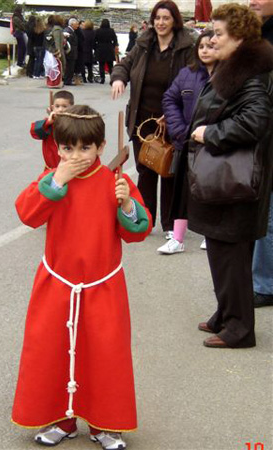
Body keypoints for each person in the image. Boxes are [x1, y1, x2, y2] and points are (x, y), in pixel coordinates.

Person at [12, 104, 152, 450]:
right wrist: (58, 179)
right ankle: (62, 420)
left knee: (105, 355)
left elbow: (138, 231)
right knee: (52, 351)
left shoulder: (115, 182)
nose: (76, 156)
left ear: (101, 147)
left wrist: (127, 206)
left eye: (85, 148)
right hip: (56, 282)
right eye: (67, 148)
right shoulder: (52, 178)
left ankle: (105, 425)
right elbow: (27, 214)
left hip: (103, 284)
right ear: (57, 147)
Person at [172, 3, 273, 348]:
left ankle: (239, 329)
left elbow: (255, 121)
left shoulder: (252, 76)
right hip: (228, 178)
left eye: (219, 34)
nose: (212, 39)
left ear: (240, 38)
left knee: (231, 255)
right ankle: (226, 313)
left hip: (235, 181)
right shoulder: (237, 67)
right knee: (222, 252)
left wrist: (207, 134)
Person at [111, 0, 194, 236]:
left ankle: (170, 226)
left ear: (174, 20)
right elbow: (125, 64)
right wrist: (119, 78)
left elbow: (191, 83)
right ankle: (145, 220)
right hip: (143, 120)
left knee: (169, 171)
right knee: (145, 170)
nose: (161, 23)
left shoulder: (186, 47)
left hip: (172, 120)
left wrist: (175, 112)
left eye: (166, 18)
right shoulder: (144, 44)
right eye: (157, 18)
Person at [158, 29, 217, 254]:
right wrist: (178, 129)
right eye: (201, 46)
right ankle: (178, 237)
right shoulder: (187, 73)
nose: (205, 50)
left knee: (209, 190)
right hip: (186, 142)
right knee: (181, 192)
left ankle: (208, 234)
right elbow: (170, 99)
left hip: (213, 143)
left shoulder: (228, 75)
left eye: (210, 46)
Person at [249, 0, 273, 307]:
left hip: (266, 140)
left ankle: (265, 283)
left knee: (267, 216)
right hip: (260, 142)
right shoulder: (256, 34)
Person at [30, 90, 74, 169]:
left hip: (69, 169)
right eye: (57, 106)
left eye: (64, 106)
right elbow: (34, 132)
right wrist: (48, 122)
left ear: (72, 107)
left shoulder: (76, 123)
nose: (60, 109)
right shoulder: (48, 123)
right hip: (51, 168)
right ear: (52, 107)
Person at [94, 19, 118, 84]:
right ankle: (112, 78)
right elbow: (115, 40)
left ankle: (102, 78)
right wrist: (113, 46)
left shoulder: (98, 31)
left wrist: (96, 47)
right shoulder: (111, 31)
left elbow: (94, 40)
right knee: (110, 65)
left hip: (100, 48)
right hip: (109, 48)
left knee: (101, 65)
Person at [63, 18, 79, 85]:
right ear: (72, 24)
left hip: (72, 52)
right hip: (70, 52)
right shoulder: (68, 31)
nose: (77, 26)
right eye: (76, 24)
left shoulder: (71, 31)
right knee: (69, 67)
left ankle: (68, 80)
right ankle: (67, 80)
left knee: (71, 67)